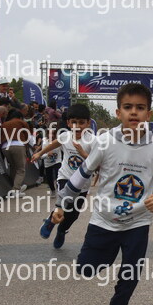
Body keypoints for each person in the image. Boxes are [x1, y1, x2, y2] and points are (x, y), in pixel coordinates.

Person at [52, 83, 153, 305]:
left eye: (140, 108)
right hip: (104, 220)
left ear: (148, 114)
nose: (134, 112)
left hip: (138, 222)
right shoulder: (105, 142)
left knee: (131, 273)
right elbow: (82, 175)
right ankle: (107, 254)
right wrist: (61, 205)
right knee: (86, 269)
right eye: (128, 107)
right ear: (118, 112)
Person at [31, 104, 94, 249]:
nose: (77, 126)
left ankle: (62, 230)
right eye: (74, 122)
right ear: (68, 123)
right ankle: (51, 221)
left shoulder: (93, 141)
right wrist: (40, 153)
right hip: (65, 177)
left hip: (83, 184)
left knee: (73, 214)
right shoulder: (65, 136)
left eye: (81, 122)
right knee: (65, 202)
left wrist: (83, 154)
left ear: (88, 123)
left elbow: (96, 164)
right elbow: (54, 144)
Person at [1, 109, 30, 197]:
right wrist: (27, 148)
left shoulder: (4, 124)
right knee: (21, 169)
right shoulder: (21, 122)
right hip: (18, 145)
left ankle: (15, 187)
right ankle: (16, 190)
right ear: (20, 116)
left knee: (13, 167)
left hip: (5, 146)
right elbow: (27, 136)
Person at [40, 125, 62, 194]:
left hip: (57, 161)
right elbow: (41, 156)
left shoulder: (59, 141)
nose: (51, 135)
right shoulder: (45, 143)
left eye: (53, 133)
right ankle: (53, 190)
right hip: (48, 163)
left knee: (58, 175)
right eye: (50, 133)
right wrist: (47, 154)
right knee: (49, 178)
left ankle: (59, 189)